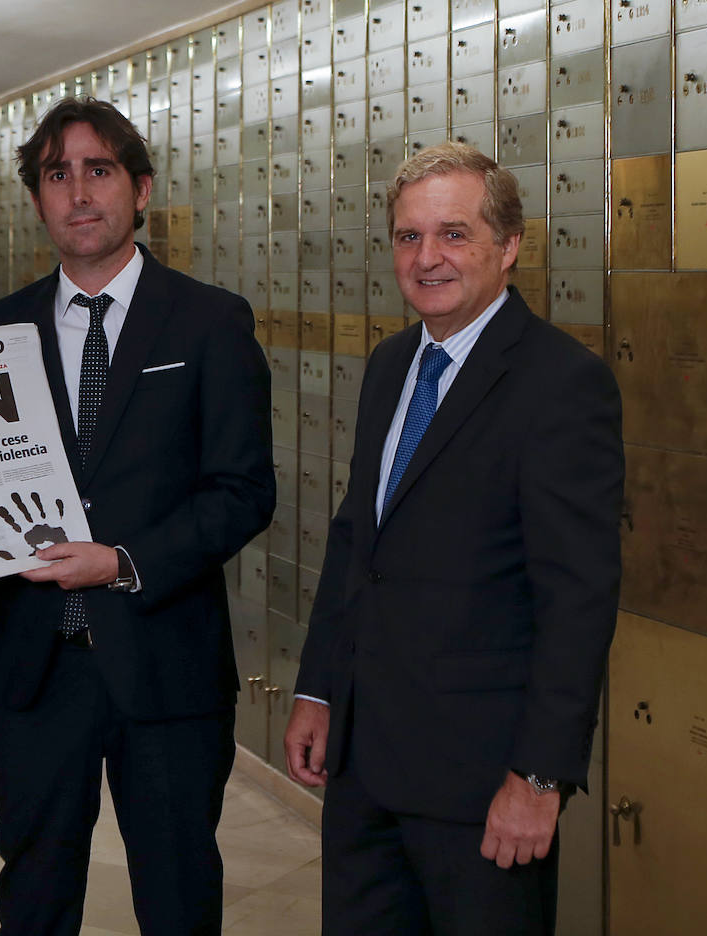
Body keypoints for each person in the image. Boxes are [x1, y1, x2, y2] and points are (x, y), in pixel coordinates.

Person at [0, 96, 274, 934]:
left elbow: (242, 493)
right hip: (35, 674)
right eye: (57, 174)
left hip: (166, 666)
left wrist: (120, 561)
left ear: (141, 189)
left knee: (180, 898)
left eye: (100, 170)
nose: (79, 192)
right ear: (38, 197)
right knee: (35, 900)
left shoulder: (209, 321)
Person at [284, 142, 623, 935]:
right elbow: (355, 543)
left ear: (509, 246)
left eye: (454, 234)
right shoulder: (392, 363)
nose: (427, 257)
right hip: (365, 770)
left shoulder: (560, 383)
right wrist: (318, 688)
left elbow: (577, 599)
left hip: (481, 787)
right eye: (409, 237)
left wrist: (538, 778)